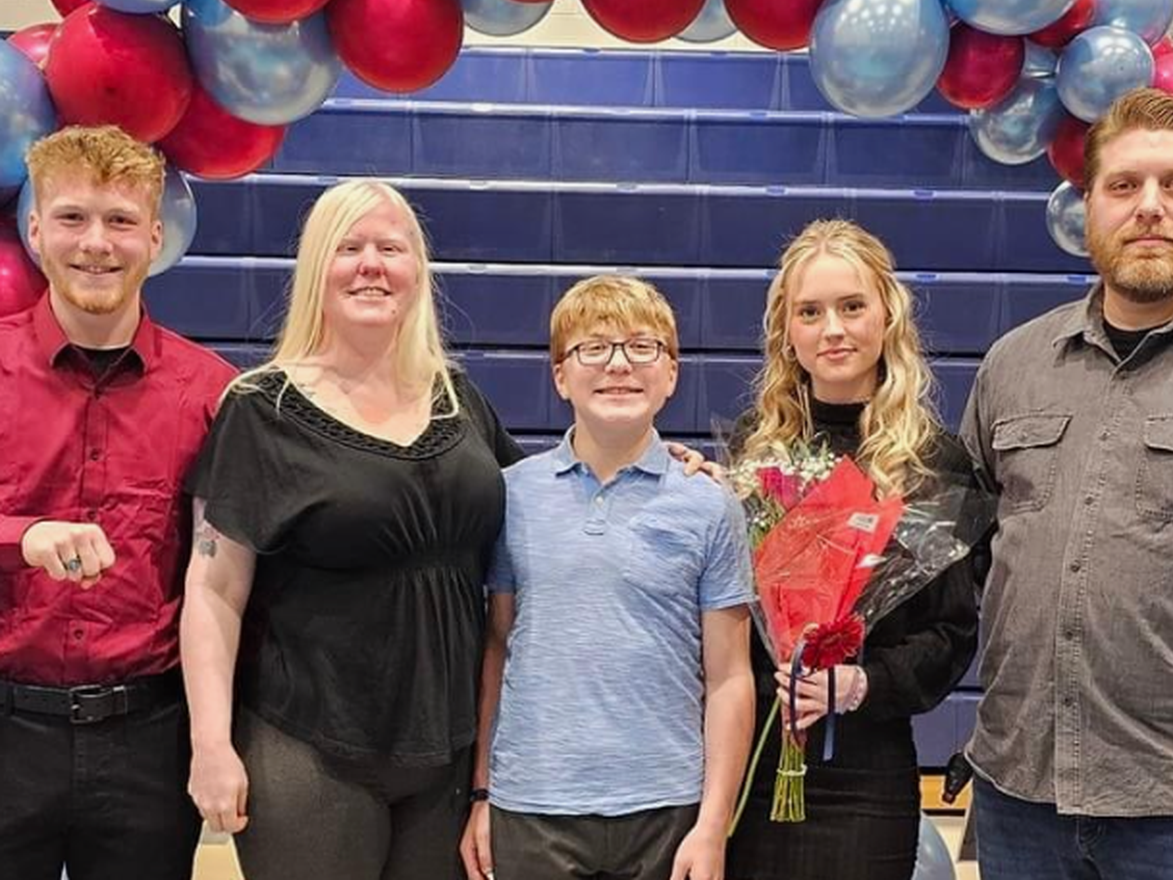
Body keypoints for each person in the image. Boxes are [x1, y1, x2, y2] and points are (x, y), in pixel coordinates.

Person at [179, 178, 527, 880]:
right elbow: (214, 590)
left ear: (417, 270)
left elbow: (545, 504)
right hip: (310, 746)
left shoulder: (459, 400)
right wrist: (210, 744)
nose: (371, 264)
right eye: (348, 248)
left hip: (445, 753)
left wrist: (660, 462)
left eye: (390, 248)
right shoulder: (262, 408)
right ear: (317, 269)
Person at [960, 88, 1173, 879]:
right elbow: (954, 550)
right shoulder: (1014, 364)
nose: (1150, 207)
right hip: (1019, 793)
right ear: (1087, 206)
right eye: (1124, 185)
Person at [459, 275, 756, 880]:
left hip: (667, 808)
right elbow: (498, 646)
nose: (618, 365)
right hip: (531, 805)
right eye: (593, 348)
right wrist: (483, 793)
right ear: (560, 376)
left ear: (671, 374)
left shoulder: (709, 504)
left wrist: (712, 824)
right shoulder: (512, 495)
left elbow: (730, 677)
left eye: (642, 347)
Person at [0, 125, 236, 879]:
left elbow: (223, 581)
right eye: (72, 217)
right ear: (35, 231)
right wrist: (20, 536)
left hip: (148, 740)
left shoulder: (211, 393)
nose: (96, 243)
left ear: (156, 238)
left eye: (121, 220)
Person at [724, 219, 979, 880]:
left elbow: (952, 635)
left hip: (866, 774)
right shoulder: (755, 450)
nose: (832, 329)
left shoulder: (933, 463)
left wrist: (862, 683)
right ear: (787, 331)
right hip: (753, 763)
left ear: (887, 316)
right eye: (810, 312)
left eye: (852, 306)